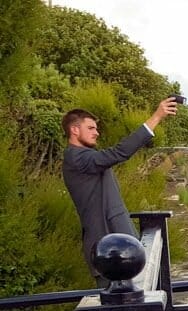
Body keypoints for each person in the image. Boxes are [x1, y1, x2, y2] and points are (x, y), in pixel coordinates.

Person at [61, 97, 179, 284]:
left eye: (96, 128)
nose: (96, 133)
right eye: (91, 128)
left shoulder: (84, 158)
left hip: (117, 248)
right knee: (123, 305)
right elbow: (119, 153)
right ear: (74, 130)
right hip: (109, 251)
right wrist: (156, 117)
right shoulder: (77, 158)